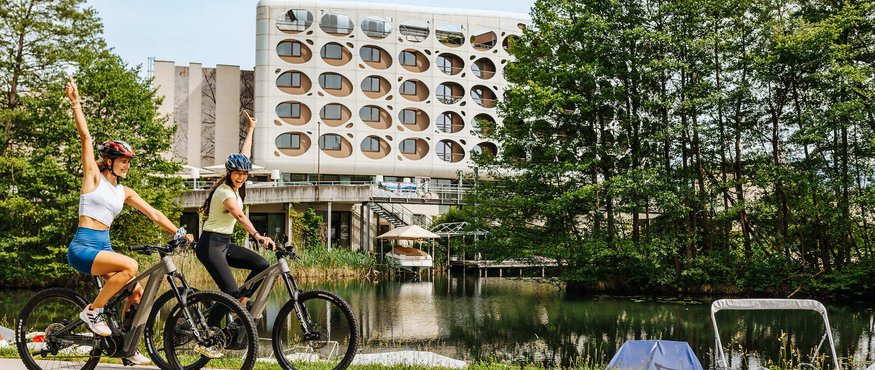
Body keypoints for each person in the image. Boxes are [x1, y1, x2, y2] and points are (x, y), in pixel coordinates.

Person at [64, 77, 192, 365]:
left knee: (136, 290)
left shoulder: (124, 191)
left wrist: (180, 231)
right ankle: (92, 312)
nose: (126, 165)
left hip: (103, 250)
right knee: (131, 265)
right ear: (108, 161)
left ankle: (126, 347)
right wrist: (76, 103)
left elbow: (154, 214)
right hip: (83, 248)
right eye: (122, 160)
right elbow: (85, 138)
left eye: (129, 161)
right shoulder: (93, 179)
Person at [195, 111, 275, 357]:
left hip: (224, 244)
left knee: (262, 265)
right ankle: (206, 333)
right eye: (237, 173)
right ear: (229, 172)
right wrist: (258, 236)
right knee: (228, 291)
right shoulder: (225, 192)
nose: (241, 177)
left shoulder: (238, 184)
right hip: (209, 245)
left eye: (244, 174)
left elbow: (245, 155)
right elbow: (240, 217)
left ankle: (241, 303)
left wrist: (251, 128)